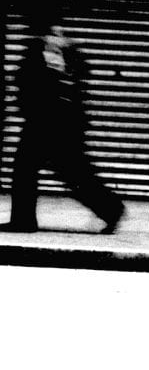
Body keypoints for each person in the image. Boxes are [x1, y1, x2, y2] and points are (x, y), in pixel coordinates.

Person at [5, 15, 124, 234]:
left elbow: (48, 81)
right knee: (69, 170)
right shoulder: (63, 44)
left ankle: (111, 209)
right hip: (60, 119)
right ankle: (110, 208)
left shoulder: (47, 46)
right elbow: (77, 75)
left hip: (48, 119)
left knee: (30, 169)